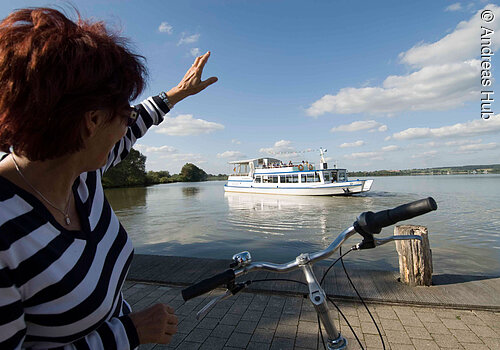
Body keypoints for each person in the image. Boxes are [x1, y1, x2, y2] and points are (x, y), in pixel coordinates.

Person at [0, 7, 217, 349]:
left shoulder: (80, 172)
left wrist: (178, 92)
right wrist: (127, 333)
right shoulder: (5, 235)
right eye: (124, 113)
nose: (127, 125)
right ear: (93, 121)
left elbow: (137, 125)